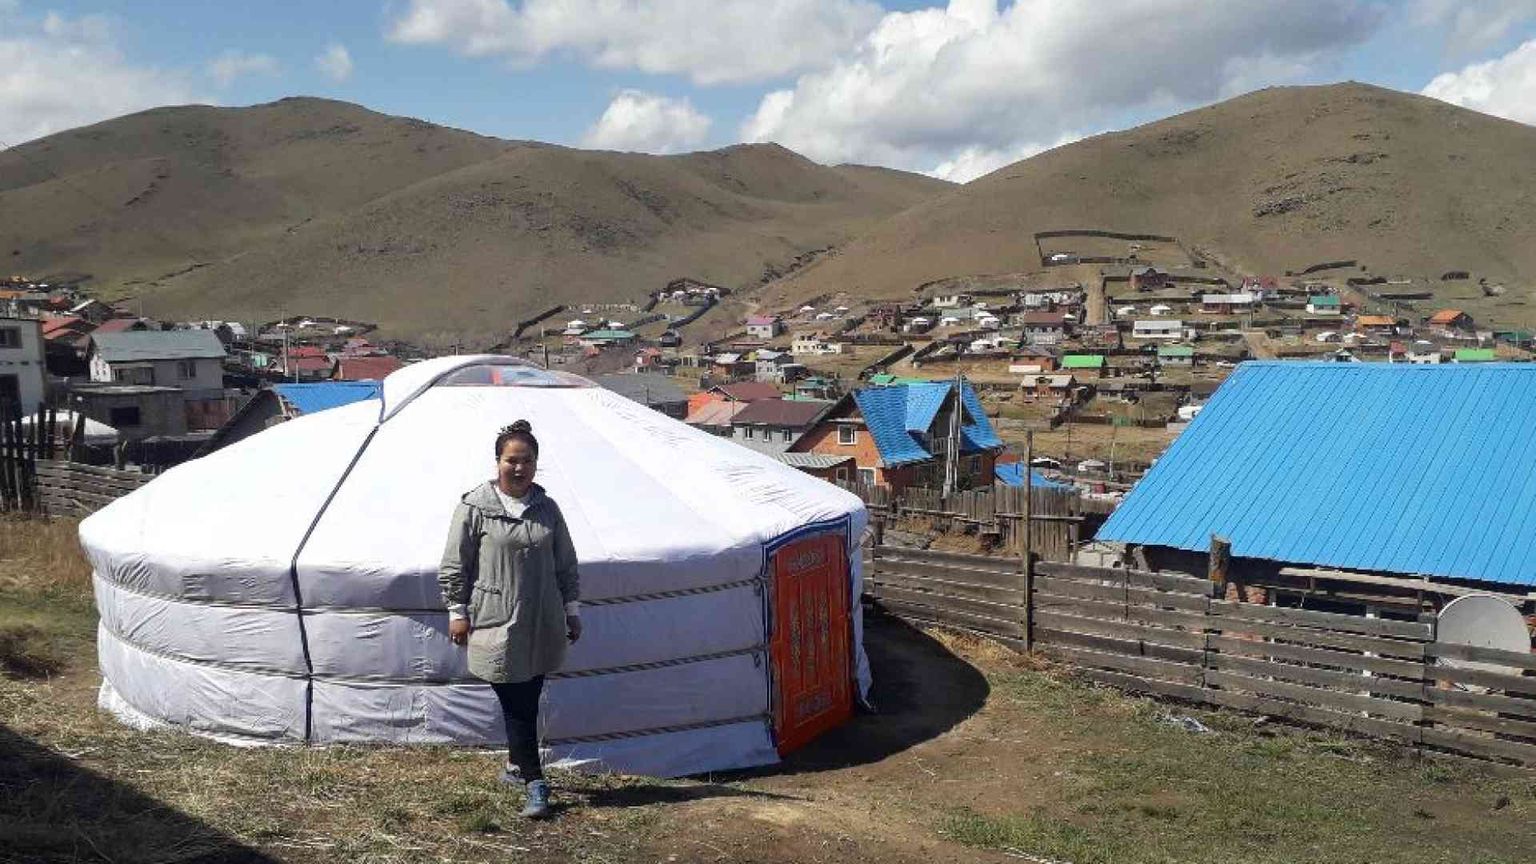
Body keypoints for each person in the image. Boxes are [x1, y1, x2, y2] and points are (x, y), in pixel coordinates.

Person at [438, 419, 581, 819]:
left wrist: (572, 610)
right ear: (497, 461)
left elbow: (565, 562)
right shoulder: (474, 507)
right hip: (496, 619)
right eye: (511, 460)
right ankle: (536, 782)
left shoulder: (547, 508)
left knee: (528, 698)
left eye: (527, 461)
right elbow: (455, 565)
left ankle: (517, 766)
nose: (519, 468)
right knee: (516, 700)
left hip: (542, 618)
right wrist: (456, 612)